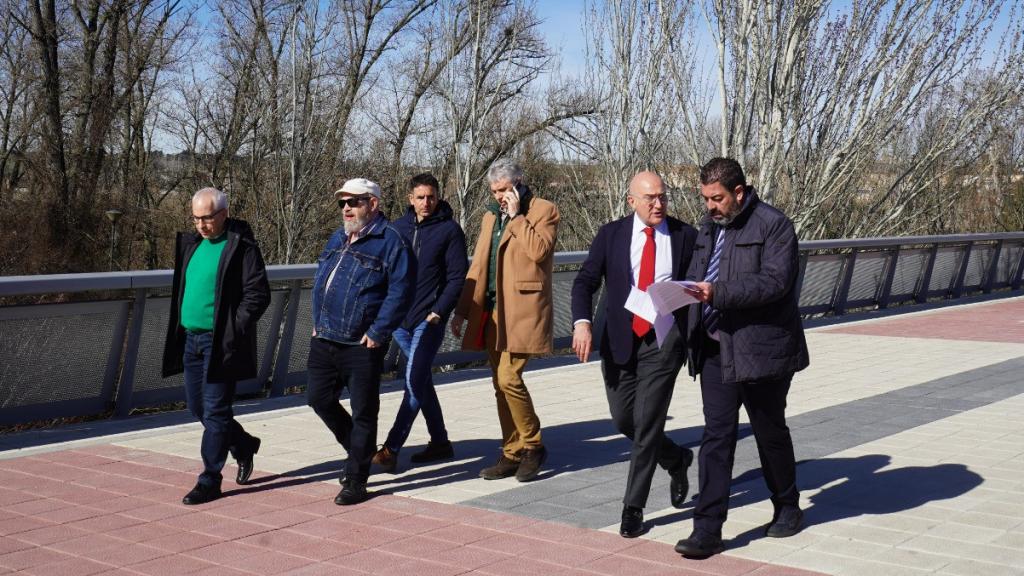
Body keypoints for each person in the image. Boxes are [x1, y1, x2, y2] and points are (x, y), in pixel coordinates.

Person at [674, 158, 809, 558]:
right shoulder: (707, 228)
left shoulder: (774, 225)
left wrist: (717, 293)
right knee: (717, 437)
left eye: (717, 199)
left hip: (761, 349)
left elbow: (775, 282)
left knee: (769, 432)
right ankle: (707, 530)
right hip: (715, 347)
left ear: (738, 192)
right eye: (705, 199)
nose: (710, 207)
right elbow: (698, 274)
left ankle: (787, 505)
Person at [570, 171, 698, 538]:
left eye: (663, 197)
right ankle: (676, 458)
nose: (658, 204)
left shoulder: (684, 235)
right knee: (623, 420)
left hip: (663, 342)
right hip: (620, 342)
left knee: (646, 424)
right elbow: (584, 282)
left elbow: (696, 285)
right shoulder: (611, 235)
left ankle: (633, 507)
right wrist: (582, 322)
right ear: (632, 201)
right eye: (650, 198)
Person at [307, 177, 415, 505]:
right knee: (318, 398)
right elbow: (323, 280)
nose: (347, 208)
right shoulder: (339, 237)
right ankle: (361, 450)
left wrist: (379, 331)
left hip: (361, 343)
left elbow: (402, 290)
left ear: (373, 204)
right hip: (325, 336)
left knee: (364, 411)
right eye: (343, 203)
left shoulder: (391, 241)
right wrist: (317, 323)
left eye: (353, 202)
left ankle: (356, 479)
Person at [451, 159, 559, 482]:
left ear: (518, 182)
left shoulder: (543, 210)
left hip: (524, 311)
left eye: (503, 189)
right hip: (492, 311)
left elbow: (539, 251)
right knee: (500, 385)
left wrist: (517, 218)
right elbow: (479, 265)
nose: (499, 196)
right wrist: (461, 309)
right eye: (494, 191)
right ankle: (512, 452)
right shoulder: (488, 216)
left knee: (509, 377)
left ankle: (534, 445)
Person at [162, 187, 271, 505]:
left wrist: (231, 330)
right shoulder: (192, 244)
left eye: (207, 217)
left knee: (217, 411)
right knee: (199, 408)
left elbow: (258, 293)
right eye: (196, 218)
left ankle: (210, 479)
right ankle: (244, 444)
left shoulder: (241, 246)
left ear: (224, 213)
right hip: (191, 340)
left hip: (219, 343)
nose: (201, 224)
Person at [372, 173, 467, 472]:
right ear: (410, 199)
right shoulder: (395, 229)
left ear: (438, 198)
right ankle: (440, 442)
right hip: (400, 321)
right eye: (421, 197)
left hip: (429, 319)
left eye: (431, 197)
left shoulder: (450, 231)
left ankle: (391, 448)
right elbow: (384, 272)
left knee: (413, 380)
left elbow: (456, 277)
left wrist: (439, 310)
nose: (426, 202)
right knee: (422, 378)